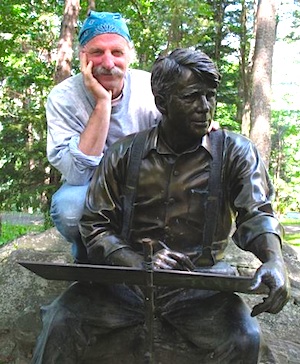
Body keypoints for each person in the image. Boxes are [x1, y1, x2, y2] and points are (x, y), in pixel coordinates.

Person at [32, 48, 290, 363]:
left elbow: (258, 213)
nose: (204, 107)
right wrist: (133, 261)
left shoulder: (236, 152)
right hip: (125, 286)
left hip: (201, 291)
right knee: (61, 321)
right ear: (162, 102)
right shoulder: (125, 153)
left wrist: (274, 260)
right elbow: (94, 224)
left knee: (245, 337)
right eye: (192, 97)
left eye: (210, 96)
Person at [47, 10, 161, 262]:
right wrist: (102, 102)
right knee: (69, 209)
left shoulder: (152, 88)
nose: (108, 63)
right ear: (82, 56)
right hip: (90, 187)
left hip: (148, 187)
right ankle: (89, 260)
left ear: (130, 54)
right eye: (97, 52)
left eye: (117, 52)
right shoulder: (63, 98)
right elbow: (77, 174)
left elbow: (180, 141)